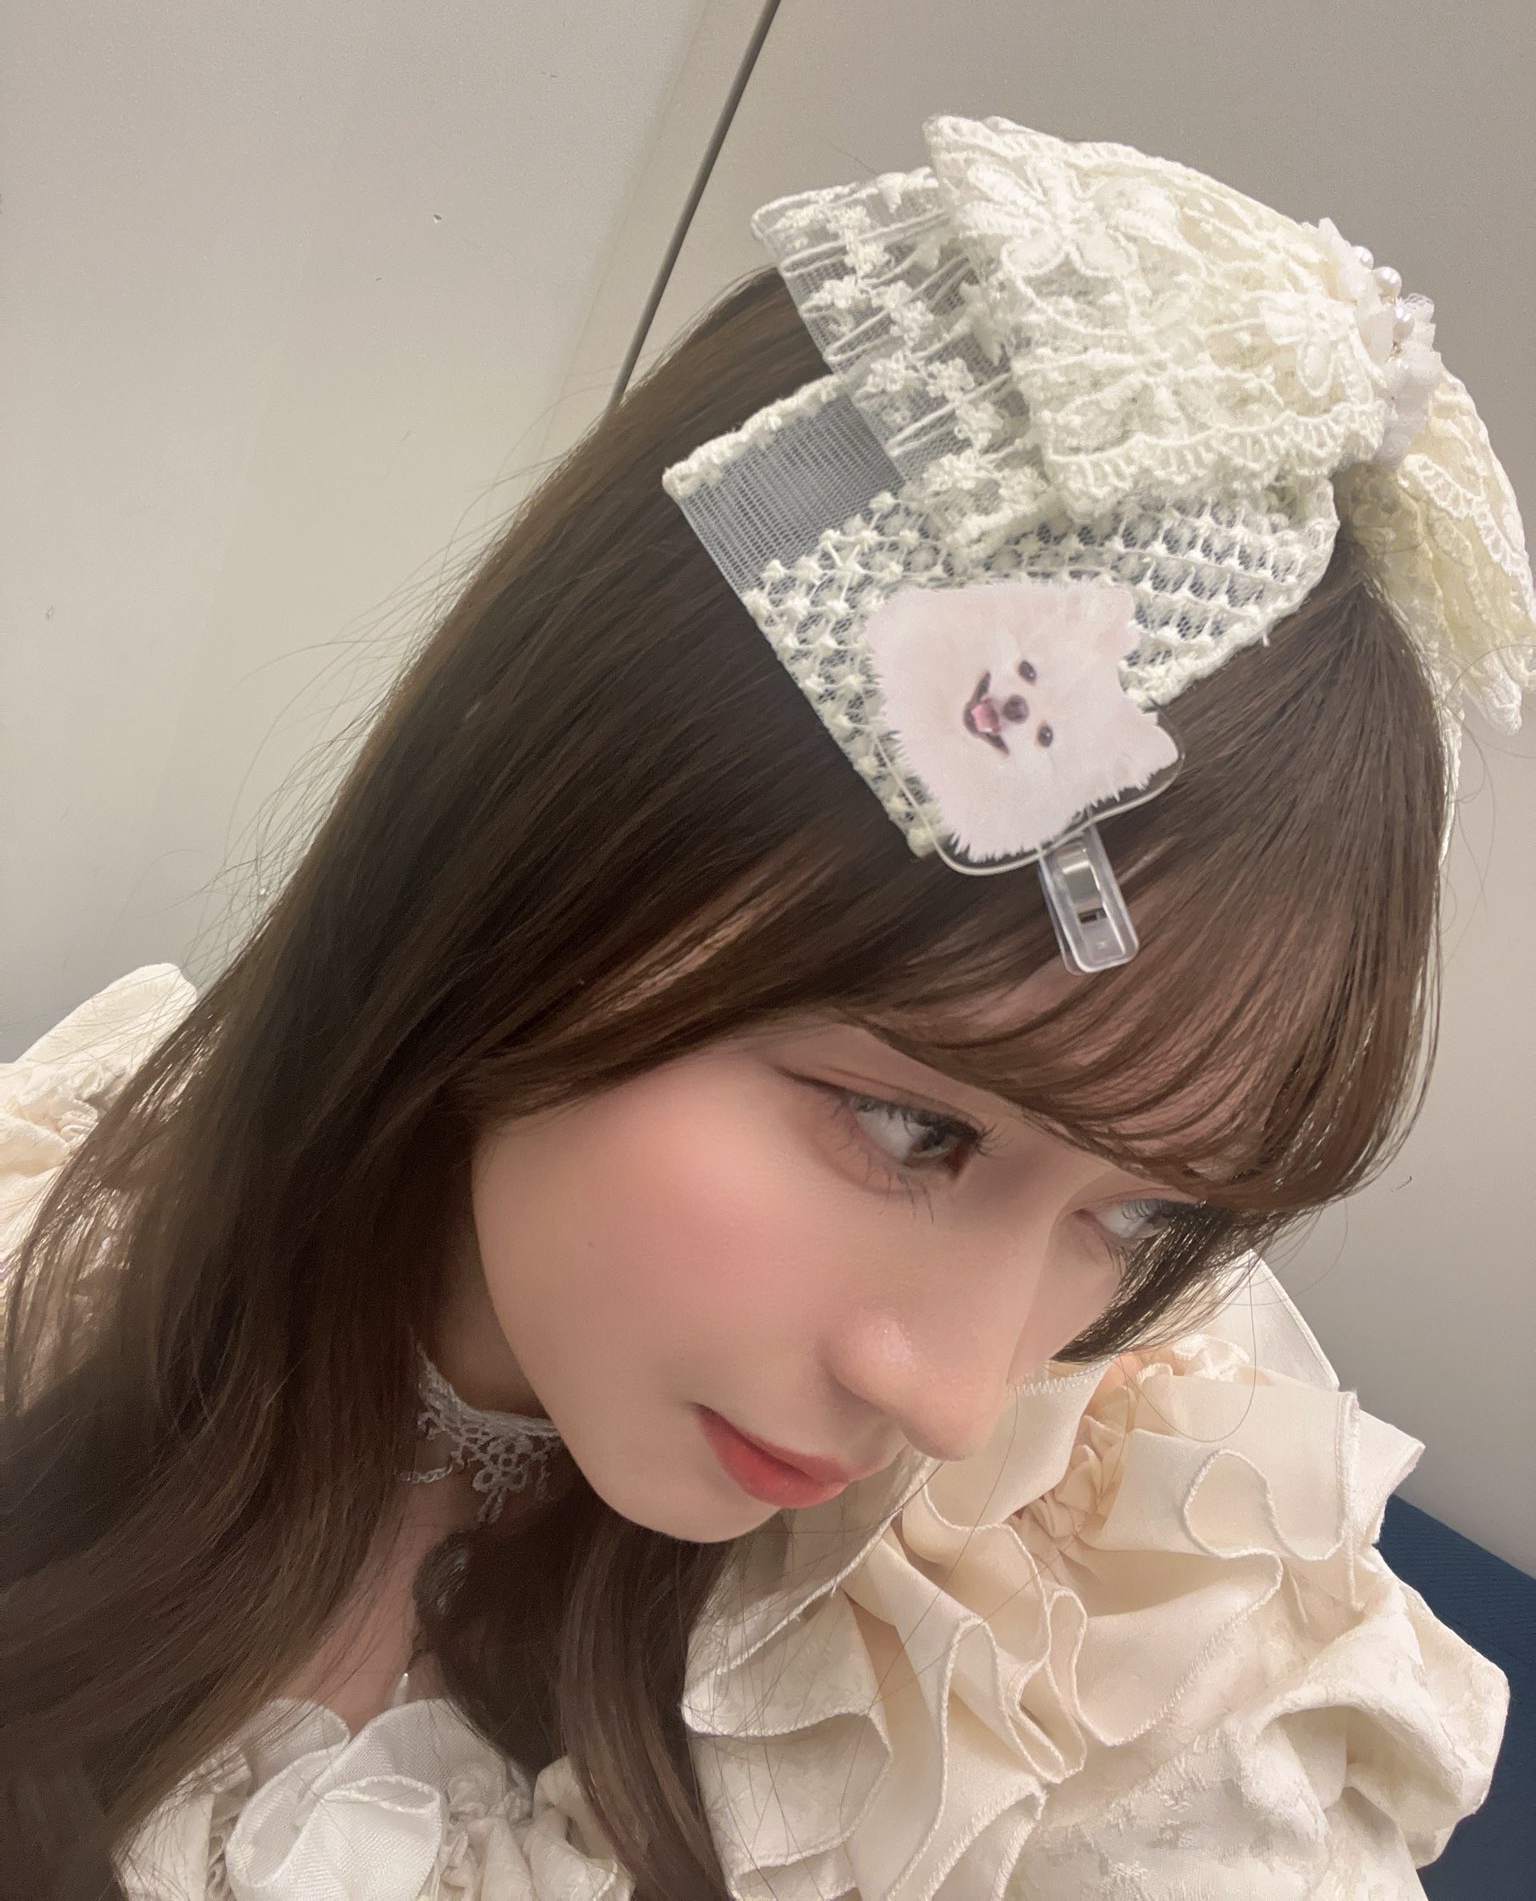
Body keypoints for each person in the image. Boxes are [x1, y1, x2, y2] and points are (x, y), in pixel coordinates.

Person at [2, 114, 1529, 1901]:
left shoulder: (1106, 1634)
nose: (956, 1394)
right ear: (537, 848)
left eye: (1139, 1214)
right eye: (909, 1126)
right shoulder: (54, 1266)